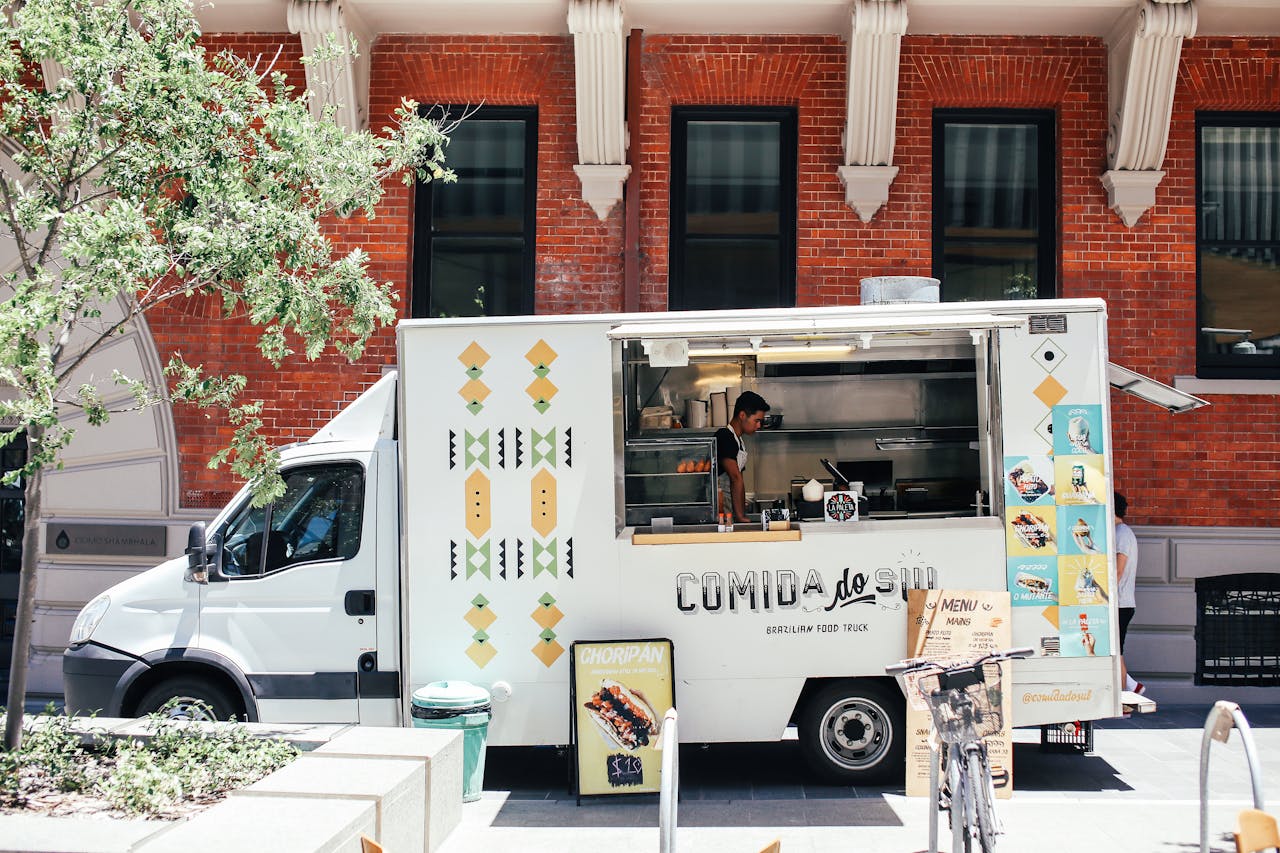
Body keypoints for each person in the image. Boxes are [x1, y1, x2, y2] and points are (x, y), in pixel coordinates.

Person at [716, 391, 769, 524]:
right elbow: (735, 477)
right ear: (742, 415)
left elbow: (739, 479)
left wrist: (740, 512)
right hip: (721, 510)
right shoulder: (725, 436)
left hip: (729, 510)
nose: (759, 426)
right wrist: (740, 517)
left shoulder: (738, 441)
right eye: (757, 421)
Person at [1114, 492, 1144, 695]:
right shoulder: (1119, 532)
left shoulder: (1122, 533)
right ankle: (1133, 687)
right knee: (1115, 651)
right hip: (1119, 603)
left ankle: (1125, 699)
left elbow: (1117, 570)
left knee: (1117, 653)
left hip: (1119, 603)